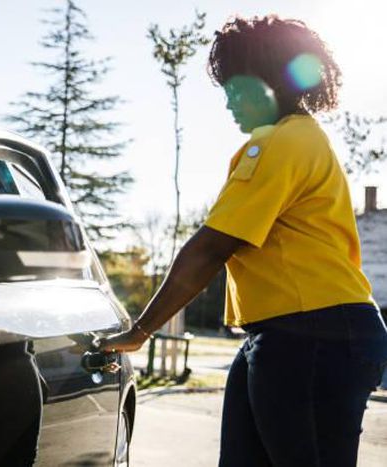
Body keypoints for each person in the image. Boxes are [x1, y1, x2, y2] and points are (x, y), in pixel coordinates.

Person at [99, 15, 387, 467]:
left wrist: (140, 331)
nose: (229, 101)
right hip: (285, 332)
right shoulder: (295, 141)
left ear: (269, 82)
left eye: (236, 86)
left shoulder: (283, 144)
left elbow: (212, 247)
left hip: (316, 334)